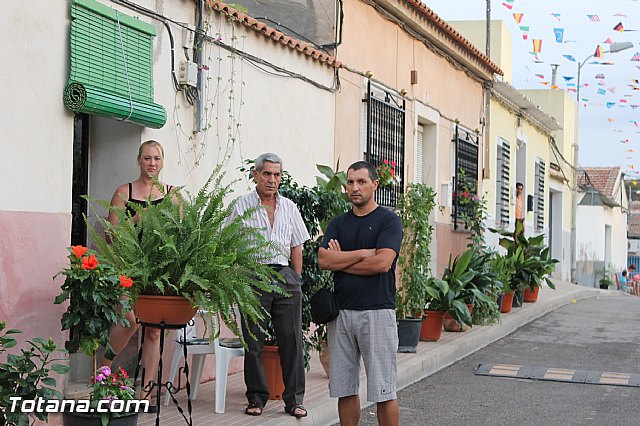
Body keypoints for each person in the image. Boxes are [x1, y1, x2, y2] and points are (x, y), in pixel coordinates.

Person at [318, 160, 403, 426]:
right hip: (341, 314)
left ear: (375, 185)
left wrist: (341, 259)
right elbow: (324, 261)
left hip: (377, 312)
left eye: (361, 182)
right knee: (344, 388)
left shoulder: (388, 221)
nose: (355, 188)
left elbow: (382, 263)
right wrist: (360, 255)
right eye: (351, 182)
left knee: (383, 390)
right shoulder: (338, 223)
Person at [229, 153, 310, 418]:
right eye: (267, 174)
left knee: (291, 340)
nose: (271, 180)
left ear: (281, 178)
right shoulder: (241, 205)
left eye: (276, 175)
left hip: (285, 276)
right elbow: (227, 242)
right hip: (253, 276)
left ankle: (294, 400)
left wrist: (296, 279)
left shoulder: (290, 207)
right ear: (255, 175)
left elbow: (297, 245)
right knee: (254, 341)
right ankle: (256, 398)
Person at [102, 140, 174, 401]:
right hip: (128, 268)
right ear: (139, 160)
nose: (152, 163)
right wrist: (134, 220)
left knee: (154, 329)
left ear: (163, 161)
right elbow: (111, 236)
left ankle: (145, 392)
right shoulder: (124, 192)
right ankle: (102, 371)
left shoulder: (172, 194)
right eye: (147, 158)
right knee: (130, 320)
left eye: (156, 158)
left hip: (158, 271)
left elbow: (180, 234)